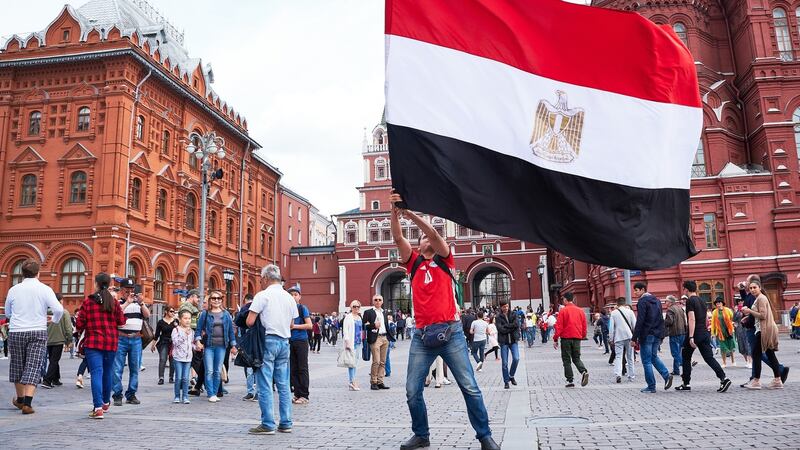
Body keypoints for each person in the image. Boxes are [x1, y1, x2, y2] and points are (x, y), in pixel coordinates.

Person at [390, 192, 499, 450]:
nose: (429, 238)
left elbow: (437, 237)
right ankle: (421, 434)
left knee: (469, 386)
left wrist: (410, 213)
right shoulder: (414, 263)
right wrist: (393, 212)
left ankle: (484, 436)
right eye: (423, 237)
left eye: (430, 236)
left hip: (452, 333)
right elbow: (397, 237)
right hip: (422, 335)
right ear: (418, 245)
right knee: (412, 390)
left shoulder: (444, 259)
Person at [6, 259, 64, 414]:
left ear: (22, 273)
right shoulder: (44, 289)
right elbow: (58, 309)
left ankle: (20, 399)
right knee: (33, 365)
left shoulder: (14, 289)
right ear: (38, 273)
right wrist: (54, 320)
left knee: (17, 365)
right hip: (37, 330)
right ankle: (28, 403)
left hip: (16, 331)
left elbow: (7, 313)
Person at [246, 264, 298, 435]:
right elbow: (292, 324)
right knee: (283, 384)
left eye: (261, 280)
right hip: (285, 342)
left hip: (267, 341)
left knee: (265, 383)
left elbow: (249, 322)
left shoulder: (263, 295)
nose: (261, 282)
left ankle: (268, 423)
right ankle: (286, 422)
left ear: (266, 278)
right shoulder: (289, 297)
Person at [75, 273, 127, 418]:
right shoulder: (113, 302)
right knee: (108, 371)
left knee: (96, 373)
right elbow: (122, 321)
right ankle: (105, 402)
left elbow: (79, 324)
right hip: (111, 342)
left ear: (97, 284)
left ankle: (98, 408)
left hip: (93, 343)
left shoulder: (88, 302)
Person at [674, 280, 730, 393]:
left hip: (695, 333)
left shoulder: (690, 301)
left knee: (685, 356)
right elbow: (705, 318)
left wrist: (690, 337)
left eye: (684, 288)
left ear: (686, 289)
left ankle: (686, 383)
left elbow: (691, 318)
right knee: (709, 357)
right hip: (704, 332)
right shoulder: (702, 300)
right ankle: (723, 378)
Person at [737, 275, 788, 387]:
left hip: (763, 329)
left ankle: (756, 380)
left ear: (759, 287)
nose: (752, 290)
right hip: (762, 329)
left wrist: (749, 311)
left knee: (757, 354)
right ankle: (777, 379)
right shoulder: (759, 298)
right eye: (750, 288)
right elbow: (758, 314)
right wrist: (748, 316)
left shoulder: (760, 298)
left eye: (754, 287)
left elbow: (763, 315)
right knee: (768, 354)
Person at [111, 278, 150, 406]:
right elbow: (115, 314)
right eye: (127, 290)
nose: (130, 292)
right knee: (117, 369)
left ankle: (131, 394)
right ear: (121, 290)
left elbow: (147, 315)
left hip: (136, 339)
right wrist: (127, 302)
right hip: (121, 338)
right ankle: (117, 394)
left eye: (131, 290)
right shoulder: (117, 302)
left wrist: (142, 303)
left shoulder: (138, 303)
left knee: (135, 368)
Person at [630, 282, 674, 393]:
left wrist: (634, 338)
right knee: (653, 356)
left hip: (647, 334)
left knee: (646, 361)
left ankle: (651, 386)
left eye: (636, 290)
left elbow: (640, 320)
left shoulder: (642, 302)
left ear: (643, 290)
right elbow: (660, 318)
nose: (635, 292)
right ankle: (666, 376)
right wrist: (662, 334)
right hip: (657, 333)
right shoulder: (657, 300)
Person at [195, 291, 237, 402]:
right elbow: (198, 329)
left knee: (217, 371)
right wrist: (198, 341)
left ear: (222, 300)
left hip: (222, 346)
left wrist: (233, 345)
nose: (216, 300)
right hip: (209, 345)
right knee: (209, 370)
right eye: (214, 298)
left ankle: (214, 392)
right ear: (210, 300)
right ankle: (211, 394)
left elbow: (231, 331)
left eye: (219, 298)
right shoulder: (205, 313)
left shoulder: (226, 314)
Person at [553, 293, 589, 388]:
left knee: (566, 360)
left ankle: (570, 380)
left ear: (565, 299)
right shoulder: (580, 311)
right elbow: (584, 325)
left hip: (566, 338)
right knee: (576, 358)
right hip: (577, 338)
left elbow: (559, 326)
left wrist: (555, 338)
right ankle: (584, 371)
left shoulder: (563, 311)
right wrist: (582, 335)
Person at [287, 284, 312, 405]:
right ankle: (297, 394)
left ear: (299, 297)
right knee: (293, 369)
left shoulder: (302, 308)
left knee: (302, 368)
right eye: (291, 295)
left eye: (295, 295)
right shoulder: (285, 309)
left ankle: (304, 395)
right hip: (290, 341)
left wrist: (294, 326)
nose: (293, 297)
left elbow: (309, 325)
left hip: (301, 341)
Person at [42, 293, 72, 389]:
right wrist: (69, 340)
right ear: (61, 300)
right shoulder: (64, 312)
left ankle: (56, 379)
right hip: (58, 339)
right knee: (54, 360)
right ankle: (47, 380)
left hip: (47, 339)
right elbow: (68, 328)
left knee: (53, 359)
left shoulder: (46, 312)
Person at [180, 289, 205, 396]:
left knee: (196, 360)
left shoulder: (191, 307)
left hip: (193, 336)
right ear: (192, 296)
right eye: (197, 297)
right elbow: (186, 323)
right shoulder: (186, 307)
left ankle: (199, 385)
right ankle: (204, 382)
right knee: (196, 361)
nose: (199, 300)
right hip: (190, 337)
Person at [363, 294, 390, 390]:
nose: (378, 301)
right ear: (373, 301)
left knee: (383, 362)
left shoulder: (384, 312)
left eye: (379, 300)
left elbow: (386, 325)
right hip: (375, 338)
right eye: (376, 300)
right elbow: (364, 325)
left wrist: (389, 336)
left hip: (384, 338)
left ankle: (380, 381)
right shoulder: (368, 312)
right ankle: (373, 382)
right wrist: (374, 325)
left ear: (382, 301)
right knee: (376, 361)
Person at [609, 297, 636, 383]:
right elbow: (634, 325)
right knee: (630, 357)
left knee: (618, 356)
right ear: (624, 303)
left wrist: (611, 338)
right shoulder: (630, 312)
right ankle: (631, 376)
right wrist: (635, 337)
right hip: (629, 336)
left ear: (617, 303)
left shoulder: (613, 313)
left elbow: (611, 328)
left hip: (618, 337)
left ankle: (618, 374)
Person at [495, 301, 520, 389]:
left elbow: (516, 324)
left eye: (507, 306)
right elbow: (500, 329)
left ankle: (511, 376)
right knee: (504, 363)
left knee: (516, 358)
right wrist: (511, 327)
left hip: (513, 340)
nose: (506, 308)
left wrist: (506, 326)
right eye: (504, 307)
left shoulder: (513, 314)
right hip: (503, 342)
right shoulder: (498, 317)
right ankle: (506, 381)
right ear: (501, 307)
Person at [171, 310, 194, 404]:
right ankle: (177, 396)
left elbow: (191, 343)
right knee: (179, 378)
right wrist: (185, 334)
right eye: (185, 318)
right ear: (180, 319)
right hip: (178, 357)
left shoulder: (191, 331)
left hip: (188, 358)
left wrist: (196, 347)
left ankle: (185, 396)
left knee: (185, 378)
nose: (188, 320)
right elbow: (175, 343)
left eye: (189, 318)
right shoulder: (176, 330)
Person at [152, 308, 178, 385]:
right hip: (163, 342)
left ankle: (171, 377)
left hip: (173, 343)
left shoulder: (176, 321)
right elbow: (157, 334)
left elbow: (179, 331)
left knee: (172, 360)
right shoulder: (161, 322)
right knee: (163, 359)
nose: (173, 313)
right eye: (171, 311)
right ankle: (161, 378)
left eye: (173, 311)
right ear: (166, 312)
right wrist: (153, 345)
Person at [663, 295, 687, 376]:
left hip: (674, 333)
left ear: (670, 302)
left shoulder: (670, 310)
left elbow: (669, 321)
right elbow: (684, 321)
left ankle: (686, 364)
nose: (665, 303)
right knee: (679, 352)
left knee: (675, 353)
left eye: (666, 301)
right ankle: (676, 370)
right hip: (682, 333)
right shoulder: (680, 308)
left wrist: (663, 322)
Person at [342, 301, 363, 390]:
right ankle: (352, 381)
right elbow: (345, 330)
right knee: (351, 362)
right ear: (351, 307)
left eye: (358, 306)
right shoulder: (348, 317)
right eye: (354, 306)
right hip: (351, 342)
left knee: (355, 362)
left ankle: (353, 381)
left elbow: (361, 330)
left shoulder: (359, 317)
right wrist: (347, 342)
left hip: (358, 342)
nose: (356, 308)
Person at [710, 298, 737, 368]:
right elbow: (713, 323)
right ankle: (724, 362)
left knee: (731, 346)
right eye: (717, 303)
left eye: (719, 302)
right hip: (720, 332)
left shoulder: (728, 310)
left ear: (722, 303)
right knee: (723, 348)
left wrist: (731, 325)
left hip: (729, 331)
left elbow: (732, 317)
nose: (718, 304)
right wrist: (713, 333)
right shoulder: (715, 312)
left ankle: (733, 361)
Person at [733, 298, 752, 368]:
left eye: (741, 301)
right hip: (739, 330)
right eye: (739, 301)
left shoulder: (747, 308)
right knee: (741, 346)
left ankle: (750, 361)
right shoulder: (737, 311)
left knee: (747, 345)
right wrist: (735, 312)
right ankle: (746, 361)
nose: (740, 302)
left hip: (746, 329)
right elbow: (734, 320)